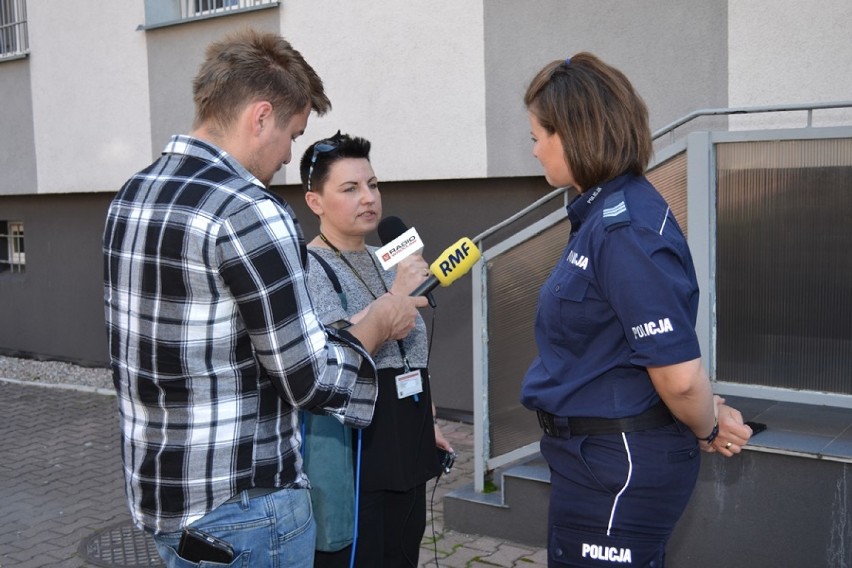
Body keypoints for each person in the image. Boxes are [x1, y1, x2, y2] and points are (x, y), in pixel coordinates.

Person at [102, 29, 426, 568]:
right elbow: (307, 377)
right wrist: (377, 323)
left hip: (163, 502)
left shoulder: (132, 196)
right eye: (293, 133)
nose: (286, 155)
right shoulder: (250, 209)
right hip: (246, 511)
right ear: (260, 117)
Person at [519, 53, 754, 566]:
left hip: (615, 466)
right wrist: (708, 414)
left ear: (574, 134)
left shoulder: (624, 229)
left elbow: (679, 375)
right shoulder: (602, 215)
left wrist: (707, 423)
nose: (533, 149)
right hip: (594, 462)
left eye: (538, 134)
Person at [300, 132, 453, 567]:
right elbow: (329, 350)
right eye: (350, 189)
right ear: (316, 202)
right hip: (356, 449)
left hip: (408, 438)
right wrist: (395, 297)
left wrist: (426, 421)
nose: (368, 198)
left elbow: (410, 349)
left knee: (403, 554)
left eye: (373, 184)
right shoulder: (307, 267)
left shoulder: (388, 255)